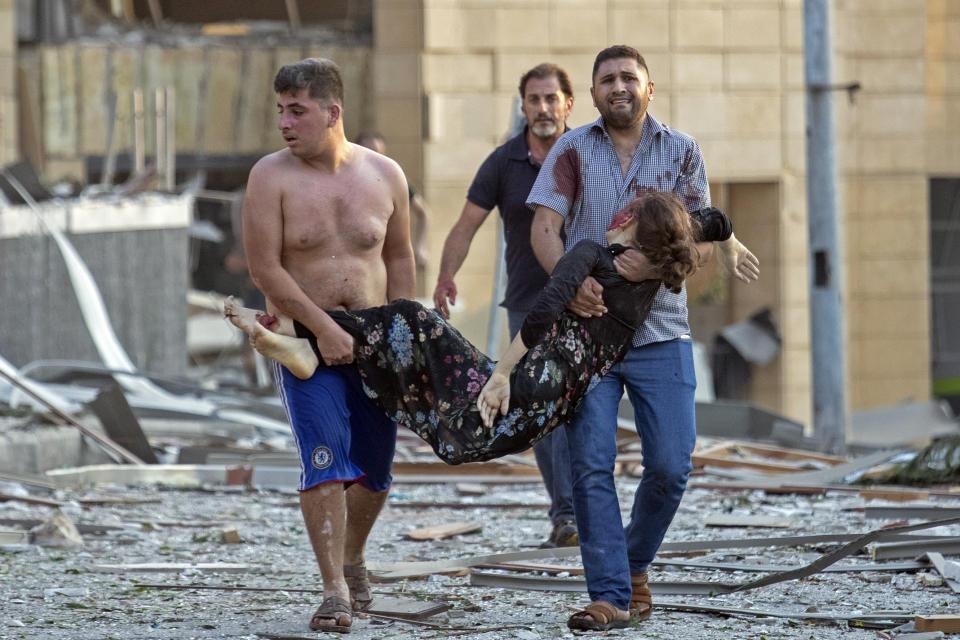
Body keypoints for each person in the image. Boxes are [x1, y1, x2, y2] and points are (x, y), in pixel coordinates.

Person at [227, 194, 732, 467]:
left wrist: (499, 377)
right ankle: (306, 344)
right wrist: (732, 246)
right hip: (553, 400)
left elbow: (541, 315)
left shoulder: (590, 255)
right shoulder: (657, 271)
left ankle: (301, 334)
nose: (619, 215)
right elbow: (712, 221)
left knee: (414, 320)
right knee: (413, 326)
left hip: (527, 380)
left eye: (629, 215)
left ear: (634, 230)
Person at [526, 45, 760, 631]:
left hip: (662, 333)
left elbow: (699, 233)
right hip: (590, 337)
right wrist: (570, 283)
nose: (619, 86)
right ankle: (608, 595)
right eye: (607, 79)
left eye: (629, 77)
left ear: (650, 87)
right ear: (595, 91)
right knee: (590, 466)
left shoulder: (682, 152)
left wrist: (654, 269)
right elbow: (546, 227)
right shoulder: (572, 148)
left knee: (671, 466)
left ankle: (632, 564)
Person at [241, 57, 416, 634]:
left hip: (373, 345)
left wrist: (404, 336)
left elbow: (397, 259)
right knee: (323, 459)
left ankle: (353, 554)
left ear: (332, 111)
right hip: (304, 346)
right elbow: (265, 269)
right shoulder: (271, 176)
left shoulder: (386, 174)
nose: (285, 123)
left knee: (376, 470)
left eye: (298, 111)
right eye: (280, 112)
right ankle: (334, 591)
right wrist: (324, 327)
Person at [432, 62, 580, 548]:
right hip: (528, 304)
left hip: (588, 302)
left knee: (584, 408)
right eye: (534, 100)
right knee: (540, 409)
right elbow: (465, 224)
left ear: (568, 104)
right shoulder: (502, 162)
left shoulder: (589, 152)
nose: (543, 108)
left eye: (551, 99)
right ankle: (565, 515)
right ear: (523, 107)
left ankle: (586, 509)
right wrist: (446, 275)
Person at [355, 132, 431, 273]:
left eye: (378, 155)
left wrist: (421, 247)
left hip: (386, 256)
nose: (373, 160)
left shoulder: (392, 181)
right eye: (369, 154)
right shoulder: (346, 182)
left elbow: (423, 212)